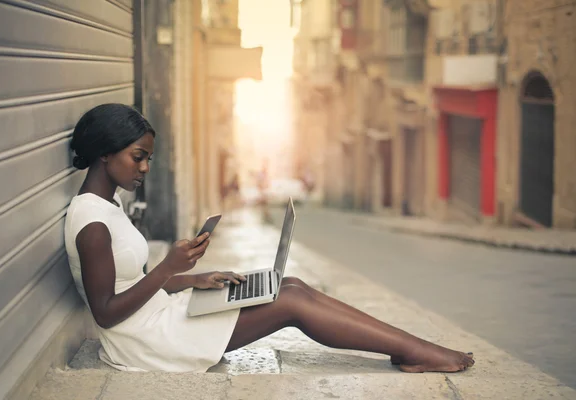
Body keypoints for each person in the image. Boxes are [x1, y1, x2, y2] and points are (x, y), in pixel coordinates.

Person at [65, 103, 475, 373]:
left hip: (157, 318)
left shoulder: (108, 206)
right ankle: (414, 352)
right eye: (138, 156)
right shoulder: (92, 223)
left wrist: (195, 279)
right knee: (291, 302)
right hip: (148, 341)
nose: (145, 168)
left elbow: (131, 280)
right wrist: (169, 269)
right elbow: (105, 312)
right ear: (105, 152)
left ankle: (409, 346)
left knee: (289, 284)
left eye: (149, 158)